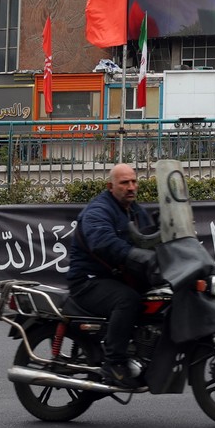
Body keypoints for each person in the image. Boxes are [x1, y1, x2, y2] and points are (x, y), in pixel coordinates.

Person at [66, 163, 159, 386]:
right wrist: (137, 255)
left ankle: (143, 352)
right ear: (110, 186)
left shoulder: (135, 211)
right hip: (89, 280)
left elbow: (150, 237)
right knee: (128, 300)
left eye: (134, 181)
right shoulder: (98, 211)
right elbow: (102, 242)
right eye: (124, 182)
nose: (131, 187)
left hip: (116, 277)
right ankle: (114, 363)